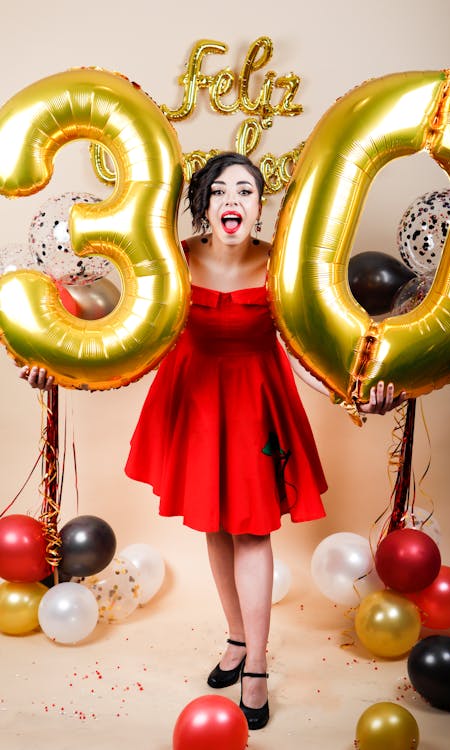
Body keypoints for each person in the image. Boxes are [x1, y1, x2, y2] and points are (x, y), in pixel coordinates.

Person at [20, 152, 405, 730]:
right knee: (216, 525)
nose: (234, 200)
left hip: (255, 401)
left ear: (258, 206)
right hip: (195, 400)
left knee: (250, 530)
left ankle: (256, 668)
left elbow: (305, 357)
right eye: (221, 190)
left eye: (246, 191)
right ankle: (235, 637)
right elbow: (121, 334)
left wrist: (359, 395)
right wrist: (60, 365)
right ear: (204, 204)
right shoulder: (174, 259)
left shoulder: (282, 263)